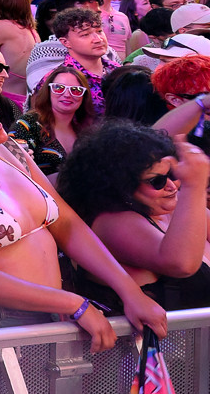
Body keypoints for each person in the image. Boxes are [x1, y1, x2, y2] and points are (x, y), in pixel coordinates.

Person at [0, 67, 166, 348]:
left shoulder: (4, 147)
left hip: (44, 312)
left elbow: (65, 222)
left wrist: (129, 291)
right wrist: (73, 303)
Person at [56, 121, 210, 310]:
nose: (172, 185)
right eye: (157, 180)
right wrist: (195, 186)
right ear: (121, 187)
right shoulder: (111, 223)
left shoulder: (178, 206)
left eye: (173, 173)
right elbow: (181, 263)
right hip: (162, 339)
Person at [10, 63, 97, 177]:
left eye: (75, 90)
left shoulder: (87, 131)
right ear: (48, 91)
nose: (67, 94)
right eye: (58, 88)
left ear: (84, 96)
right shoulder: (28, 123)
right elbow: (10, 166)